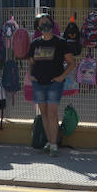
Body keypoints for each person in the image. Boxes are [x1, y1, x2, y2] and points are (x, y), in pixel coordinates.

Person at [27, 13, 75, 155]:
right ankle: (49, 141)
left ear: (52, 24)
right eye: (42, 23)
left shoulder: (60, 42)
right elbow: (31, 62)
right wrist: (32, 75)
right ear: (38, 26)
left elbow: (72, 63)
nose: (45, 25)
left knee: (53, 113)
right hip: (38, 83)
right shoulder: (35, 43)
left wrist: (62, 77)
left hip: (54, 83)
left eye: (47, 22)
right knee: (44, 114)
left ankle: (54, 145)